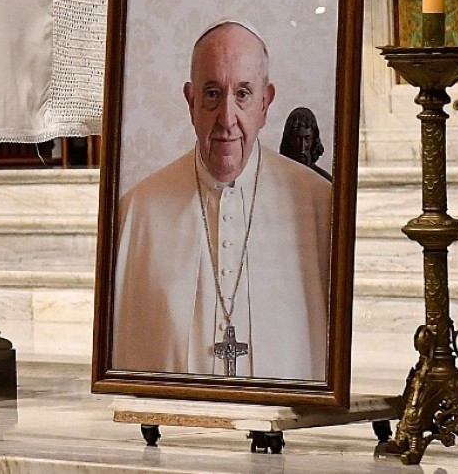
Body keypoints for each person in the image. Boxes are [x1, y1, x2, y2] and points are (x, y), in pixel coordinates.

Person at [112, 21, 332, 380]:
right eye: (213, 93)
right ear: (191, 100)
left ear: (266, 102)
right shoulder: (138, 211)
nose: (227, 119)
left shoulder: (319, 205)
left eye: (243, 94)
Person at [280, 106, 331, 181]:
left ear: (314, 139)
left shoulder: (325, 181)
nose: (302, 148)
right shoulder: (275, 179)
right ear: (289, 140)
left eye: (307, 139)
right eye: (297, 139)